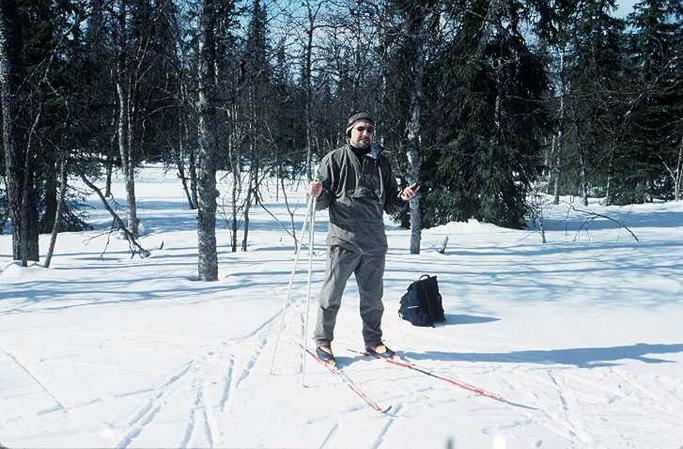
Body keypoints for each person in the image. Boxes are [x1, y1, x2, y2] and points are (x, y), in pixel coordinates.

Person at [307, 112, 419, 365]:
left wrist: (403, 197)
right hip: (343, 240)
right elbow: (321, 202)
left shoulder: (381, 162)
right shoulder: (334, 160)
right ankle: (323, 342)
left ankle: (373, 341)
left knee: (372, 298)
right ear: (349, 132)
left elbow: (390, 203)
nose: (366, 133)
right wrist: (316, 192)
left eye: (369, 129)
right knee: (331, 295)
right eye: (360, 129)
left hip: (374, 242)